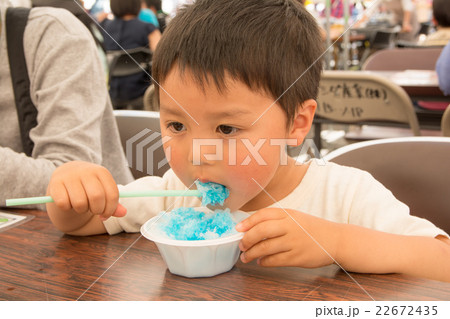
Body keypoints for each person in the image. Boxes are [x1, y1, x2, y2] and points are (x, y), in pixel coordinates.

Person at [46, 0, 450, 282]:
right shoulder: (176, 192)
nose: (194, 156)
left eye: (226, 130)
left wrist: (337, 242)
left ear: (297, 123)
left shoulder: (343, 194)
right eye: (176, 126)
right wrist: (73, 192)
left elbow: (442, 263)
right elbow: (84, 224)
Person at [0, 4, 133, 210]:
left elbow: (70, 179)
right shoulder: (145, 25)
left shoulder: (55, 33)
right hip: (129, 87)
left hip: (99, 225)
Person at [99, 0, 161, 109]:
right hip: (142, 96)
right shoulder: (148, 28)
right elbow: (161, 57)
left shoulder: (103, 27)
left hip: (112, 96)